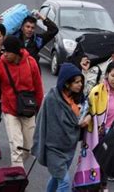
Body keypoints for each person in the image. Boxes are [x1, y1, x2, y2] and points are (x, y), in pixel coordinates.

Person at [0, 35, 44, 167]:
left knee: (27, 147)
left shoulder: (31, 63)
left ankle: (17, 168)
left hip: (28, 111)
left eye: (8, 51)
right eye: (4, 50)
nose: (5, 54)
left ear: (17, 52)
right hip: (10, 111)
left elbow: (39, 89)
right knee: (17, 146)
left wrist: (39, 112)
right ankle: (17, 178)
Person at [32, 63, 87, 192]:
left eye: (81, 82)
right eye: (76, 82)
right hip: (54, 148)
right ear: (67, 83)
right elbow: (43, 122)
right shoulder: (52, 98)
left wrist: (86, 118)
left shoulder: (77, 98)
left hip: (69, 146)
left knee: (56, 178)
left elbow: (84, 113)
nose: (80, 85)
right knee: (64, 182)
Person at [75, 61, 114, 191]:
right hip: (98, 135)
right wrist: (88, 116)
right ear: (107, 74)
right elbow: (87, 109)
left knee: (108, 167)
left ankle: (102, 187)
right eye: (113, 75)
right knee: (92, 167)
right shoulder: (97, 91)